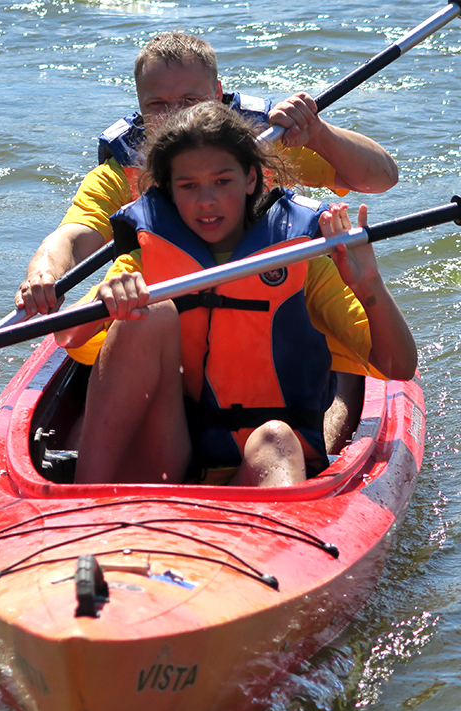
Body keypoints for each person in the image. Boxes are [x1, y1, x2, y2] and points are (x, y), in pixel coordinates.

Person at [56, 102, 416, 487]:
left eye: (222, 181)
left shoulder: (300, 257)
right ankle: (85, 499)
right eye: (188, 186)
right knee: (150, 312)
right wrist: (107, 300)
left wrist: (368, 284)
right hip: (174, 459)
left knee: (276, 437)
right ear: (168, 190)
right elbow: (68, 336)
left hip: (265, 464)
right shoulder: (147, 257)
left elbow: (398, 367)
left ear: (250, 179)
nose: (206, 200)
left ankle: (273, 520)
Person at [15, 31, 399, 319]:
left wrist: (318, 133)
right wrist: (44, 274)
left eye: (190, 100)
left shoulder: (261, 144)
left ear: (217, 94)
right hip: (171, 308)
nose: (175, 116)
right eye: (158, 104)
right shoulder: (122, 170)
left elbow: (380, 178)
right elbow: (74, 237)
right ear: (140, 106)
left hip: (270, 297)